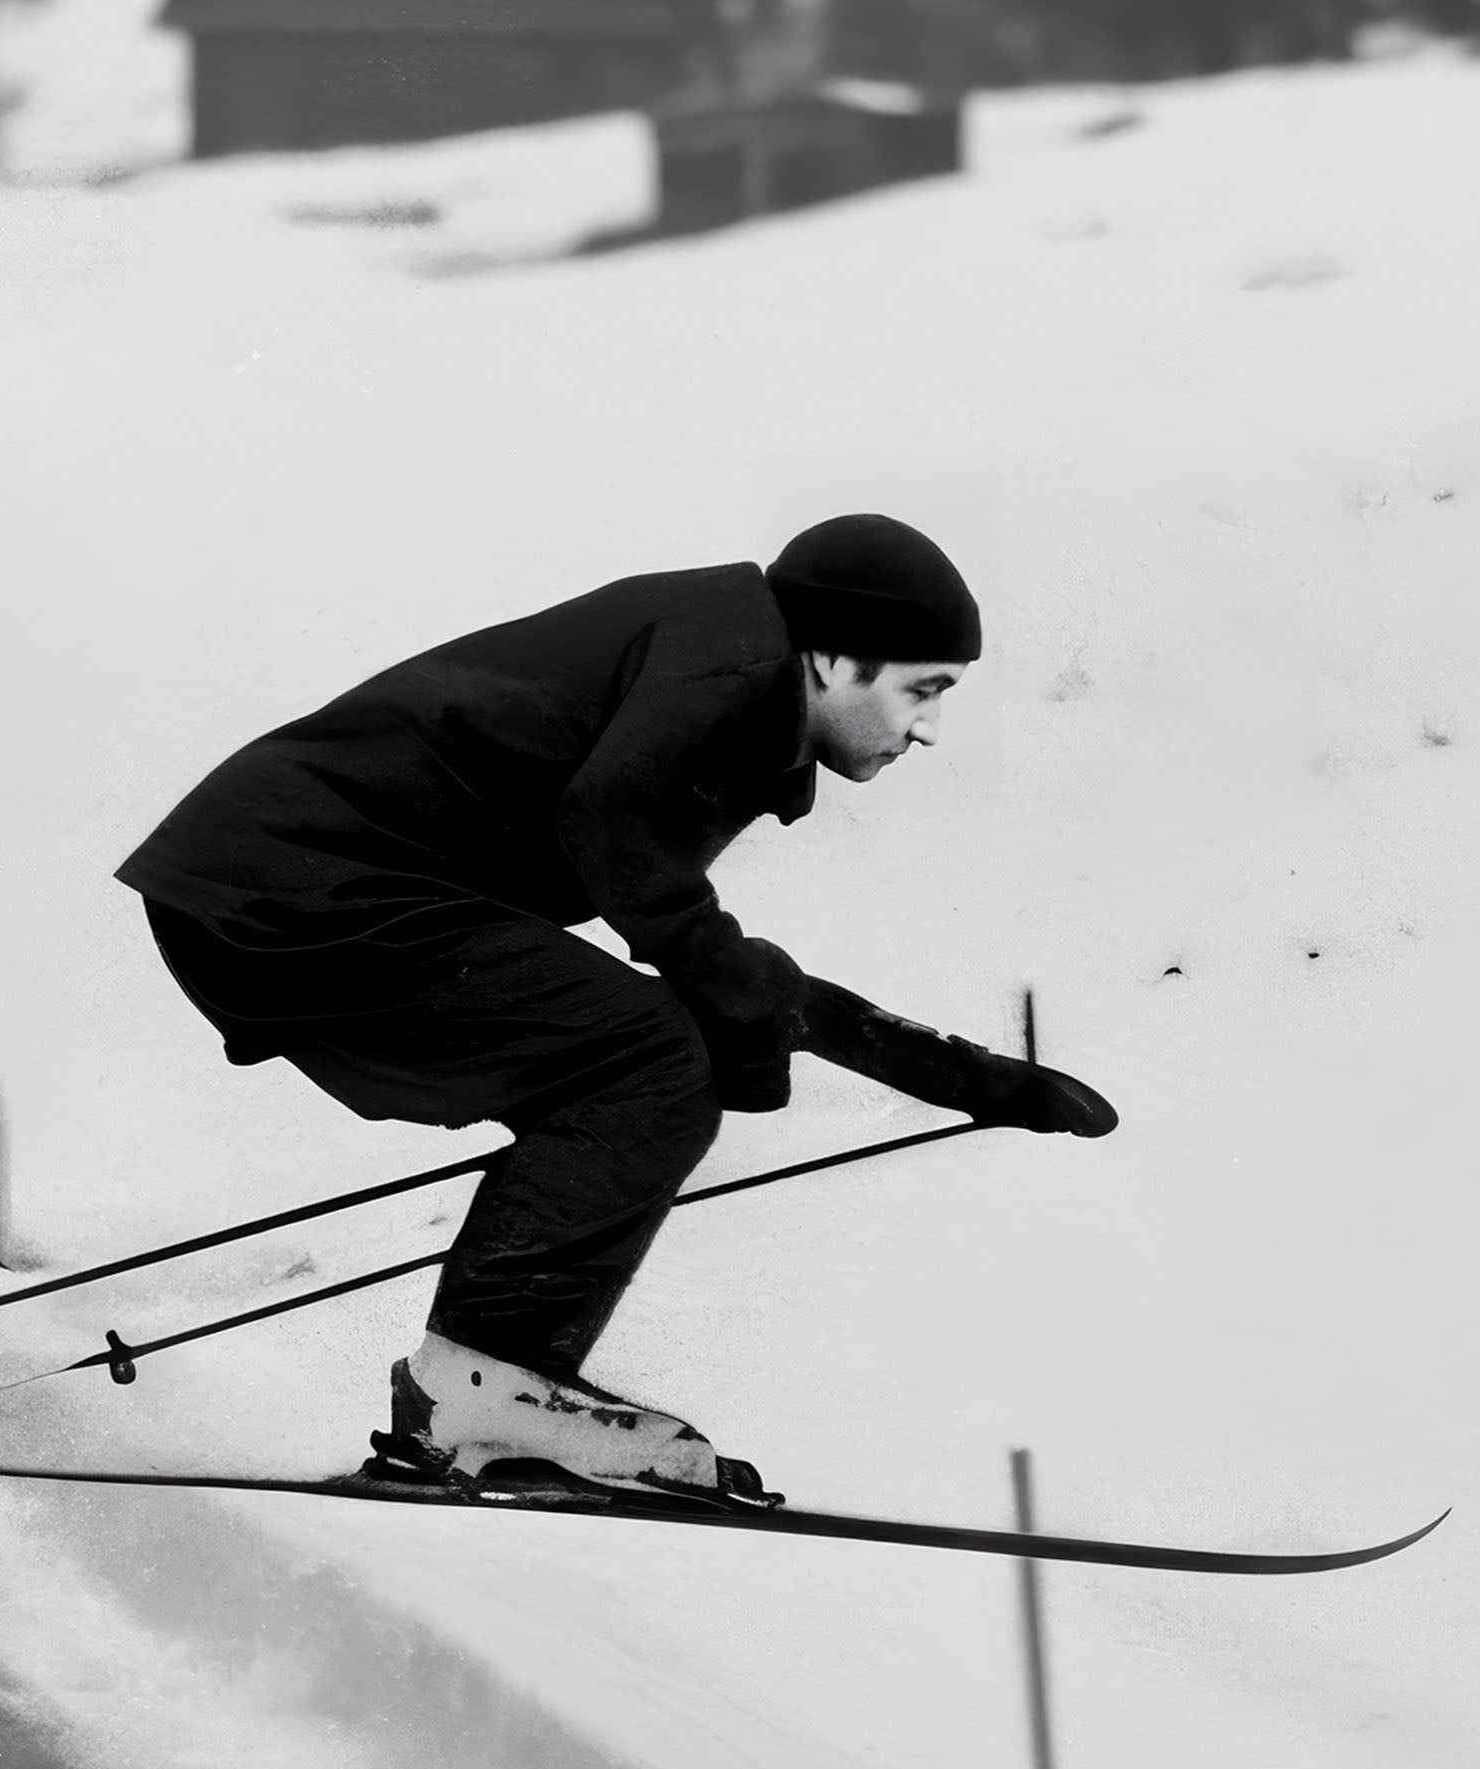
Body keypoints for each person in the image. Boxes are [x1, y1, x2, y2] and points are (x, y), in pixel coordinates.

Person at [118, 514, 1115, 1503]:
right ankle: (483, 1392)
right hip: (299, 883)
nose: (928, 728)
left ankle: (487, 1389)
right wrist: (740, 1006)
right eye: (922, 689)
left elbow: (717, 963)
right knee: (648, 1057)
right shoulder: (725, 665)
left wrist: (967, 1079)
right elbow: (627, 850)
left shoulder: (727, 663)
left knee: (650, 1049)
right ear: (831, 659)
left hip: (275, 882)